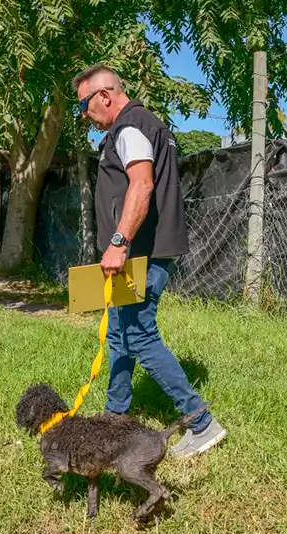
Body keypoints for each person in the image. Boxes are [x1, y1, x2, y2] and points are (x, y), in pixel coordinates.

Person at [72, 64, 227, 458]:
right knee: (120, 333)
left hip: (140, 251)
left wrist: (119, 242)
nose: (85, 115)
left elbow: (141, 185)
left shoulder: (129, 128)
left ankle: (200, 422)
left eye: (85, 105)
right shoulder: (147, 125)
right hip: (145, 250)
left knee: (139, 334)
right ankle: (115, 413)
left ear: (104, 95)